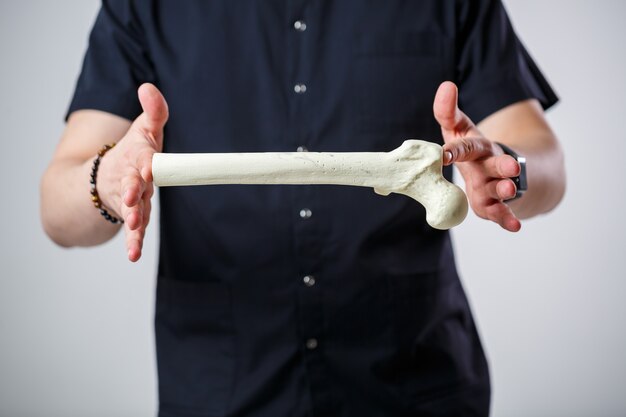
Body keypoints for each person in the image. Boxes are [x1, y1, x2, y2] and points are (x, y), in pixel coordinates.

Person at [41, 1, 565, 416]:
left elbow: (545, 161)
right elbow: (57, 205)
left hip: (416, 383)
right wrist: (105, 180)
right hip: (222, 389)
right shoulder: (144, 5)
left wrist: (504, 169)